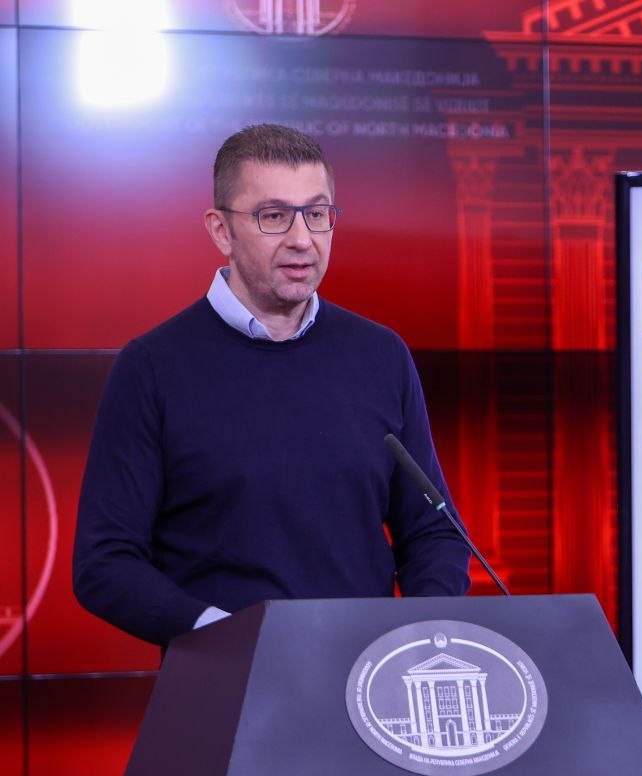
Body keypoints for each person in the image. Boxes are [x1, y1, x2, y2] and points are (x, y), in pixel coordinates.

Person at [72, 123, 471, 647]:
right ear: (221, 231)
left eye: (317, 214)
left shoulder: (381, 355)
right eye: (274, 216)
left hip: (364, 677)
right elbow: (105, 563)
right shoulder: (152, 368)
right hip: (226, 680)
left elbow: (434, 532)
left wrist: (412, 639)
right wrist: (228, 638)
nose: (302, 239)